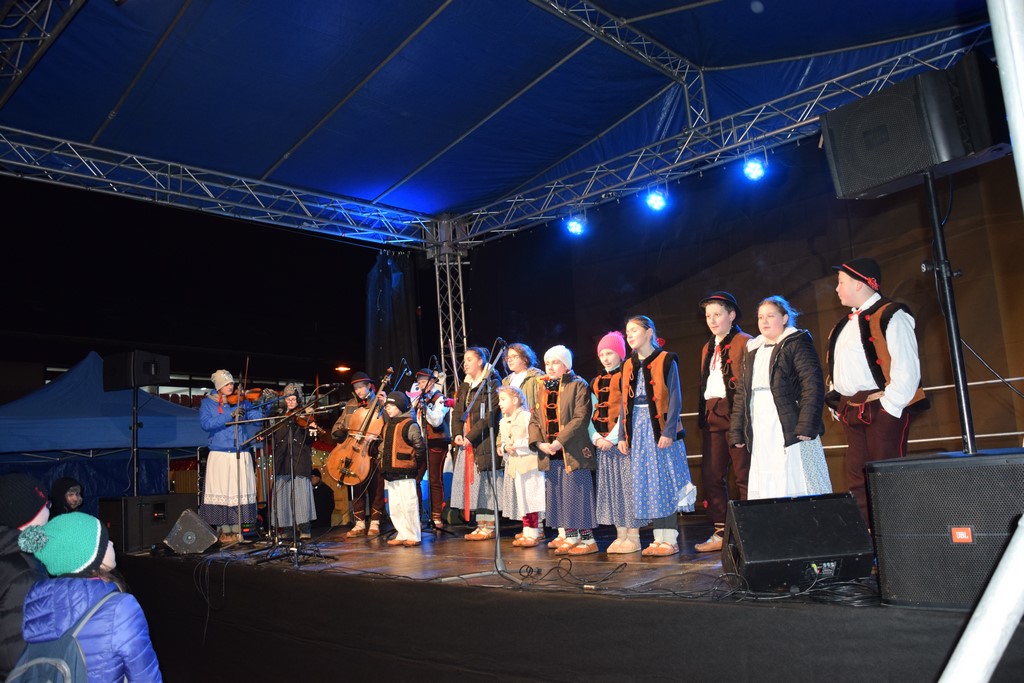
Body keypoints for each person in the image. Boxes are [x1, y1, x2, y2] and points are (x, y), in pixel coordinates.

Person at [827, 258, 925, 523]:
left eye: (841, 282)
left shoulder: (891, 314)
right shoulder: (844, 324)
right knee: (857, 476)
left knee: (886, 476)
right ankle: (868, 533)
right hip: (852, 408)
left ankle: (894, 535)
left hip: (881, 406)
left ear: (859, 284)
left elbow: (906, 365)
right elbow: (838, 365)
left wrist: (890, 407)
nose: (837, 289)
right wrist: (837, 401)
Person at [18, 512, 162, 682]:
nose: (111, 543)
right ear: (89, 557)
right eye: (104, 541)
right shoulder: (120, 608)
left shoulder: (37, 603)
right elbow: (145, 677)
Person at [729, 296, 831, 500]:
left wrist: (806, 425)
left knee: (795, 474)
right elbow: (742, 393)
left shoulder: (796, 342)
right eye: (760, 317)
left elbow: (812, 385)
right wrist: (737, 431)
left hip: (788, 423)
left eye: (770, 316)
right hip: (760, 423)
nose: (764, 321)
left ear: (784, 318)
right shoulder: (753, 348)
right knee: (767, 475)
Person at [619, 315, 697, 557]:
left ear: (649, 332)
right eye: (627, 332)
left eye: (634, 330)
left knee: (665, 481)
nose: (630, 335)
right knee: (650, 483)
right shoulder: (628, 365)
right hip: (638, 429)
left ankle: (670, 538)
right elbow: (624, 404)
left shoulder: (666, 359)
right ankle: (657, 538)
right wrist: (623, 435)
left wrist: (668, 431)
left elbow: (675, 398)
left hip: (659, 429)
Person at [695, 292, 752, 553]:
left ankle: (749, 532)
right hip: (713, 414)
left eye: (717, 314)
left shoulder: (745, 342)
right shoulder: (707, 347)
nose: (712, 320)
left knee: (744, 474)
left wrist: (742, 417)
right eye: (708, 315)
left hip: (736, 414)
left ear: (732, 315)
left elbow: (746, 384)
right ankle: (721, 530)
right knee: (711, 474)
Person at [528, 345, 597, 555]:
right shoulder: (543, 388)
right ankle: (571, 536)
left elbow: (580, 417)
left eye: (555, 362)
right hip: (551, 453)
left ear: (566, 365)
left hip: (572, 452)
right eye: (547, 363)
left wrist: (560, 441)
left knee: (578, 495)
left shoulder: (578, 384)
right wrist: (539, 443)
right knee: (560, 497)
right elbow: (535, 419)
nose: (550, 367)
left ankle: (589, 540)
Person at [198, 369, 267, 545]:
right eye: (227, 384)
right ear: (219, 386)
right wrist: (228, 415)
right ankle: (223, 530)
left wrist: (263, 405)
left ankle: (237, 530)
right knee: (222, 491)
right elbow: (206, 424)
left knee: (238, 492)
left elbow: (257, 420)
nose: (231, 387)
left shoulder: (241, 401)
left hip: (240, 451)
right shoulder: (208, 403)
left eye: (231, 383)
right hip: (220, 453)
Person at [590, 331, 642, 554]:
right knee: (613, 490)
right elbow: (590, 413)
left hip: (621, 444)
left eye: (610, 353)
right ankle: (620, 535)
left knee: (627, 489)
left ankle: (634, 536)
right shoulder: (596, 381)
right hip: (602, 445)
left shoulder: (626, 376)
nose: (605, 358)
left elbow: (626, 410)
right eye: (602, 354)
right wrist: (595, 437)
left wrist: (612, 438)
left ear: (620, 354)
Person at [0, 473, 50, 679]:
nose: (49, 510)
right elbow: (18, 652)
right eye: (45, 505)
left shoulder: (8, 552)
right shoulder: (24, 572)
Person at [450, 347, 502, 539]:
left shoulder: (492, 383)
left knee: (486, 481)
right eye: (464, 360)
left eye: (469, 359)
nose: (465, 364)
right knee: (475, 484)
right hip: (466, 440)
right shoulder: (465, 386)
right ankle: (480, 524)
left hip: (484, 439)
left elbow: (489, 416)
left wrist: (469, 436)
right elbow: (457, 412)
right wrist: (457, 434)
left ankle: (489, 526)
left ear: (480, 361)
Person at [330, 372, 387, 539]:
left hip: (373, 450)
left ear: (369, 386)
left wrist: (383, 405)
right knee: (356, 486)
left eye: (361, 387)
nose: (359, 391)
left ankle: (375, 522)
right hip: (354, 450)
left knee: (376, 487)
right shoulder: (350, 404)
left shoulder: (379, 402)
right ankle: (359, 523)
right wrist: (338, 432)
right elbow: (339, 425)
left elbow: (387, 424)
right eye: (356, 388)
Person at [497, 385, 546, 547]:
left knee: (532, 498)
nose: (500, 403)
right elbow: (503, 442)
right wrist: (505, 447)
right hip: (516, 465)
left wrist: (517, 445)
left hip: (529, 464)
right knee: (523, 499)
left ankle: (534, 532)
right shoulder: (503, 422)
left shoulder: (526, 417)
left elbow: (534, 439)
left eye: (503, 399)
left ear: (515, 400)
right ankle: (527, 530)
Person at [380, 391, 427, 547]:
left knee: (408, 503)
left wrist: (413, 463)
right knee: (395, 505)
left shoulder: (410, 424)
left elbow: (419, 447)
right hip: (392, 471)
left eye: (391, 406)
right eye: (386, 406)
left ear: (400, 406)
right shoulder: (388, 424)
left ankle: (413, 534)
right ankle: (402, 532)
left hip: (406, 470)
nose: (388, 408)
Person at [271, 383, 317, 541]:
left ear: (299, 399)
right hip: (282, 459)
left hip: (299, 459)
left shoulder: (305, 415)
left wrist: (312, 429)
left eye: (293, 399)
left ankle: (304, 527)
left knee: (301, 494)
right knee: (283, 495)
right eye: (287, 399)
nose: (290, 402)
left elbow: (310, 440)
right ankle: (288, 529)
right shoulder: (279, 416)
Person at [413, 368, 452, 529]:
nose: (421, 385)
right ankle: (417, 516)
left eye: (424, 382)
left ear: (432, 382)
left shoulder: (440, 398)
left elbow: (436, 421)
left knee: (435, 479)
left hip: (436, 442)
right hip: (421, 444)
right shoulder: (419, 398)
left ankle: (437, 517)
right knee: (415, 479)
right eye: (419, 382)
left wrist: (425, 408)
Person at [502, 343, 545, 414]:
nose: (509, 360)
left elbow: (541, 403)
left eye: (514, 356)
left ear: (525, 358)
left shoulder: (536, 376)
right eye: (508, 357)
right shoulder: (506, 381)